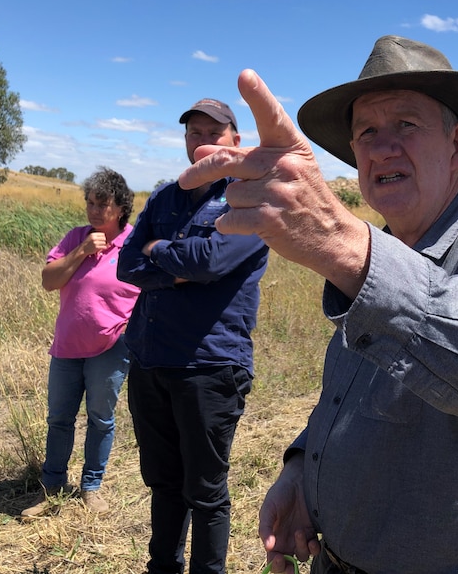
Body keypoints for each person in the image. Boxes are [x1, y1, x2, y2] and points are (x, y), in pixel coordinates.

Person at [177, 35, 458, 574]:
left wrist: (350, 248)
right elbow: (351, 396)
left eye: (406, 124)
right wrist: (301, 470)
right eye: (366, 131)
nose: (382, 147)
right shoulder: (377, 253)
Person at [117, 98, 269, 574]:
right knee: (163, 483)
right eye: (192, 133)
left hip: (208, 365)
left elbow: (210, 263)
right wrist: (178, 263)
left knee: (204, 492)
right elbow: (127, 265)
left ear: (235, 142)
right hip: (150, 358)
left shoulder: (252, 198)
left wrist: (159, 248)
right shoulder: (164, 196)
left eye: (212, 132)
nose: (201, 141)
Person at [21, 166, 139, 519]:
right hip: (67, 348)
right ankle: (51, 487)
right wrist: (82, 251)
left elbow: (151, 292)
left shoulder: (133, 244)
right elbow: (48, 280)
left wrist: (129, 333)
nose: (92, 210)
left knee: (100, 419)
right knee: (59, 418)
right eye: (89, 202)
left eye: (101, 204)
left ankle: (91, 487)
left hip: (111, 350)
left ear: (120, 208)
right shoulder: (76, 238)